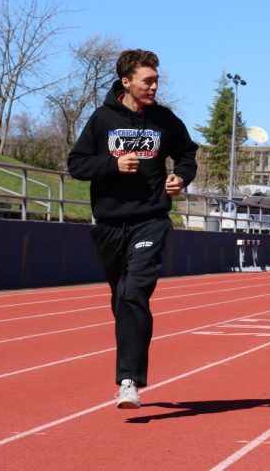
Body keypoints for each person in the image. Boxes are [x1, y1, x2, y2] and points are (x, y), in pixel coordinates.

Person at [68, 49, 198, 409]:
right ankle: (129, 367)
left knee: (133, 294)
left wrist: (180, 177)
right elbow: (76, 165)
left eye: (156, 80)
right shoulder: (102, 120)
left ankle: (129, 381)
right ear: (126, 82)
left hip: (151, 219)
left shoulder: (164, 120)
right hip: (109, 223)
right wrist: (112, 164)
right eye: (148, 80)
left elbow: (187, 154)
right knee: (121, 299)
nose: (155, 86)